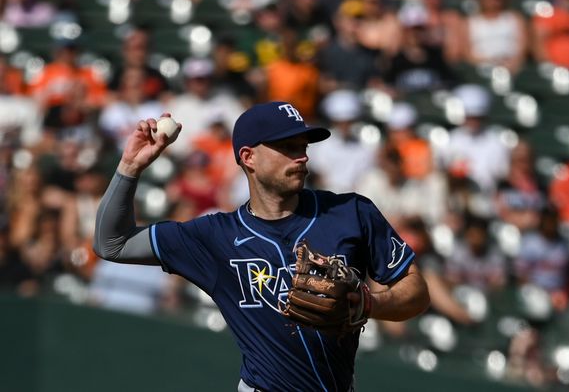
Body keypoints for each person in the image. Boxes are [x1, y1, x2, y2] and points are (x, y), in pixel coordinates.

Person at [94, 102, 429, 391]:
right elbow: (112, 244)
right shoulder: (215, 236)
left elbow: (416, 291)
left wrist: (368, 304)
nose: (302, 157)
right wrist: (130, 168)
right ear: (248, 157)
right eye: (288, 147)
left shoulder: (350, 212)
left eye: (304, 146)